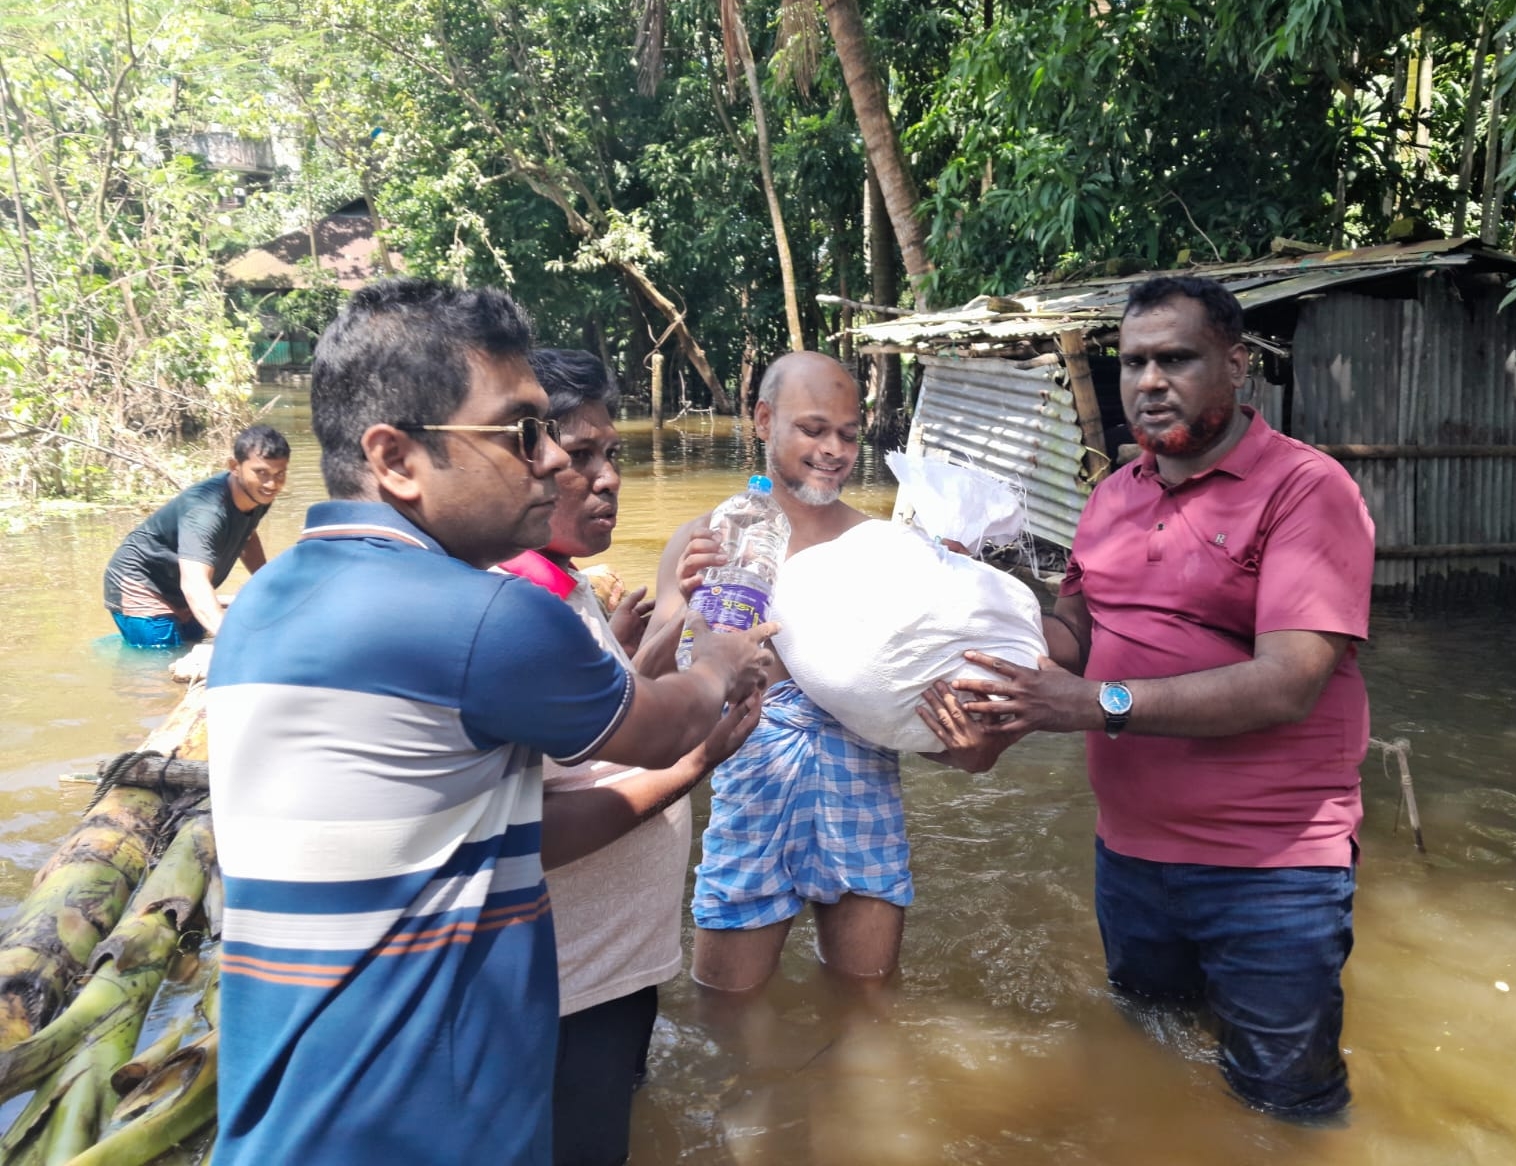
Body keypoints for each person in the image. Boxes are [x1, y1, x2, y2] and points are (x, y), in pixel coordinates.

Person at [205, 278, 773, 1166]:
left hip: (296, 1117)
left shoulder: (267, 599)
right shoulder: (484, 615)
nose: (553, 462)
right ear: (396, 459)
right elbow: (660, 728)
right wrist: (720, 659)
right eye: (521, 433)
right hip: (421, 1121)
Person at [925, 275, 1375, 1118]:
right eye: (1134, 362)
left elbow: (1288, 682)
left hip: (1272, 868)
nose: (1149, 381)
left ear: (1237, 365)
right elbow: (1075, 633)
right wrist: (972, 623)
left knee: (1287, 1109)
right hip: (1130, 859)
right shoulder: (1110, 499)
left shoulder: (1307, 491)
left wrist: (1094, 707)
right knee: (1154, 1061)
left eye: (1176, 358)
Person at [655, 352, 1001, 997]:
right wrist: (685, 606)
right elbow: (646, 702)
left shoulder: (889, 549)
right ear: (763, 420)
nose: (834, 450)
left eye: (847, 433)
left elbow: (920, 701)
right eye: (813, 429)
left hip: (863, 800)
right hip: (750, 805)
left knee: (867, 1010)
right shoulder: (707, 541)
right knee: (726, 1014)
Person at [499, 348, 759, 1166]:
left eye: (611, 455)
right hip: (566, 986)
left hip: (608, 970)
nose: (606, 476)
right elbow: (530, 825)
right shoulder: (519, 601)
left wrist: (658, 630)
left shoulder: (564, 586)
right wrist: (697, 762)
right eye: (580, 457)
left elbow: (592, 737)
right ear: (523, 460)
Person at [101, 424, 289, 647]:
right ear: (234, 467)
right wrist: (235, 643)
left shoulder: (259, 495)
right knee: (162, 659)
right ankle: (127, 633)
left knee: (193, 640)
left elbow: (247, 534)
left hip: (177, 587)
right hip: (142, 585)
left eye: (280, 474)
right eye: (261, 473)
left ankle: (123, 637)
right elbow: (194, 584)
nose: (271, 484)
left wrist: (266, 582)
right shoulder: (206, 512)